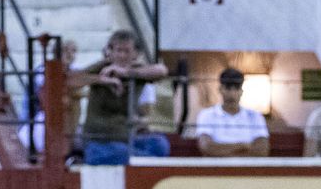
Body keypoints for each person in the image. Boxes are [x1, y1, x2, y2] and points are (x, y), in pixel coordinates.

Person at [72, 31, 170, 165]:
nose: (122, 55)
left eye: (127, 51)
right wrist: (101, 80)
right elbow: (70, 80)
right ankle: (144, 163)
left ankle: (140, 162)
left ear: (135, 54)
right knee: (121, 152)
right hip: (98, 141)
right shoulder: (101, 67)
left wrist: (126, 73)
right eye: (118, 51)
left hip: (126, 139)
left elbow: (162, 71)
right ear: (110, 52)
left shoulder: (137, 72)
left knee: (160, 144)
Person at [194, 68, 270, 157]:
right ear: (220, 89)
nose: (232, 94)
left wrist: (223, 151)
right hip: (216, 169)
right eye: (228, 88)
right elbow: (207, 147)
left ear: (242, 91)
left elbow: (262, 150)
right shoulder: (207, 115)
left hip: (248, 169)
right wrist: (244, 146)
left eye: (237, 88)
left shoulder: (255, 116)